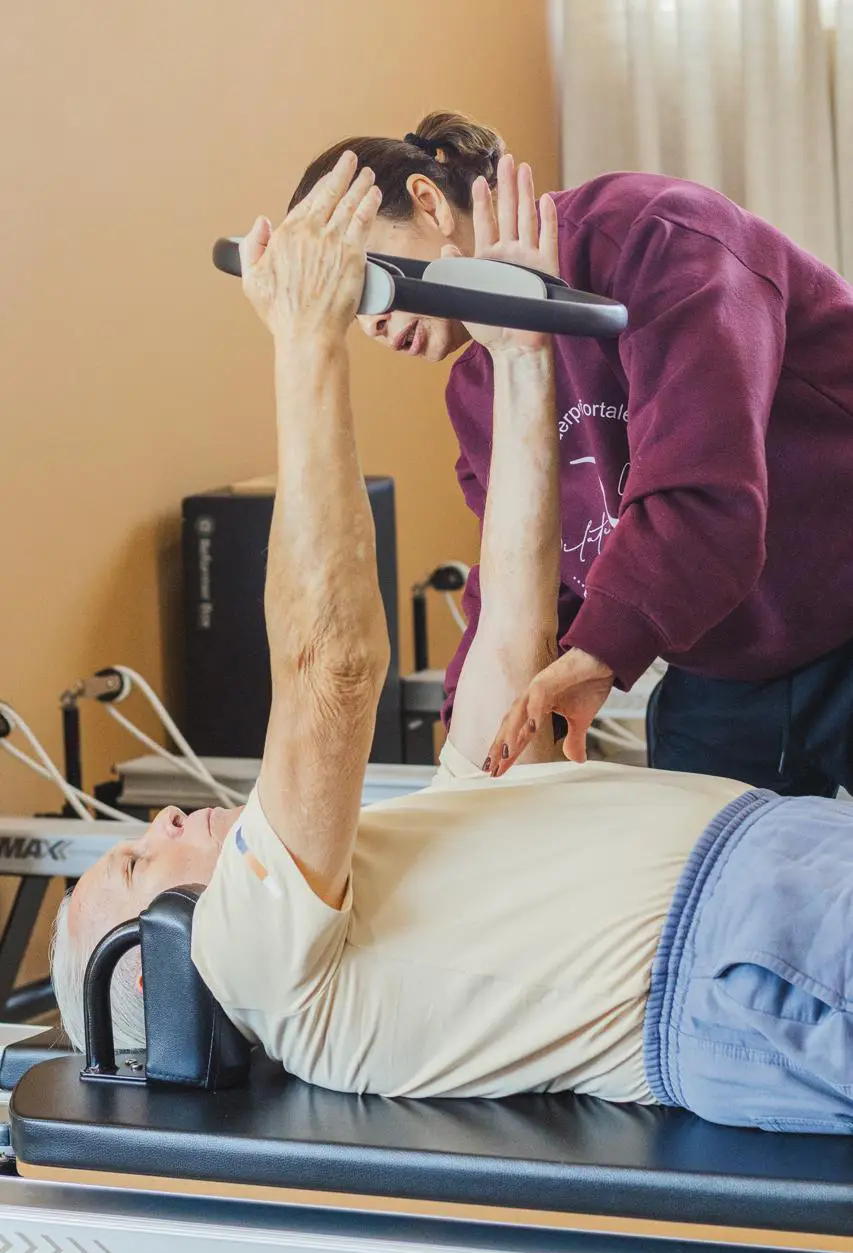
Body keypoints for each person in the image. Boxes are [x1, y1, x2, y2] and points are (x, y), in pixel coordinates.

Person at [52, 156, 853, 1134]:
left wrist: (522, 352)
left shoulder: (393, 855)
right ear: (161, 968)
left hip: (778, 870)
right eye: (138, 860)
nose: (164, 818)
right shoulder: (249, 956)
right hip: (748, 949)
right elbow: (329, 671)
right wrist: (305, 345)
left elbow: (508, 653)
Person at [288, 111, 853, 797]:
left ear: (430, 203)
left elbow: (710, 496)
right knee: (695, 878)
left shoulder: (656, 237)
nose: (371, 322)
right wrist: (469, 745)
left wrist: (601, 648)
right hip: (726, 668)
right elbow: (521, 578)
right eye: (350, 309)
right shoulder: (477, 386)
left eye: (369, 279)